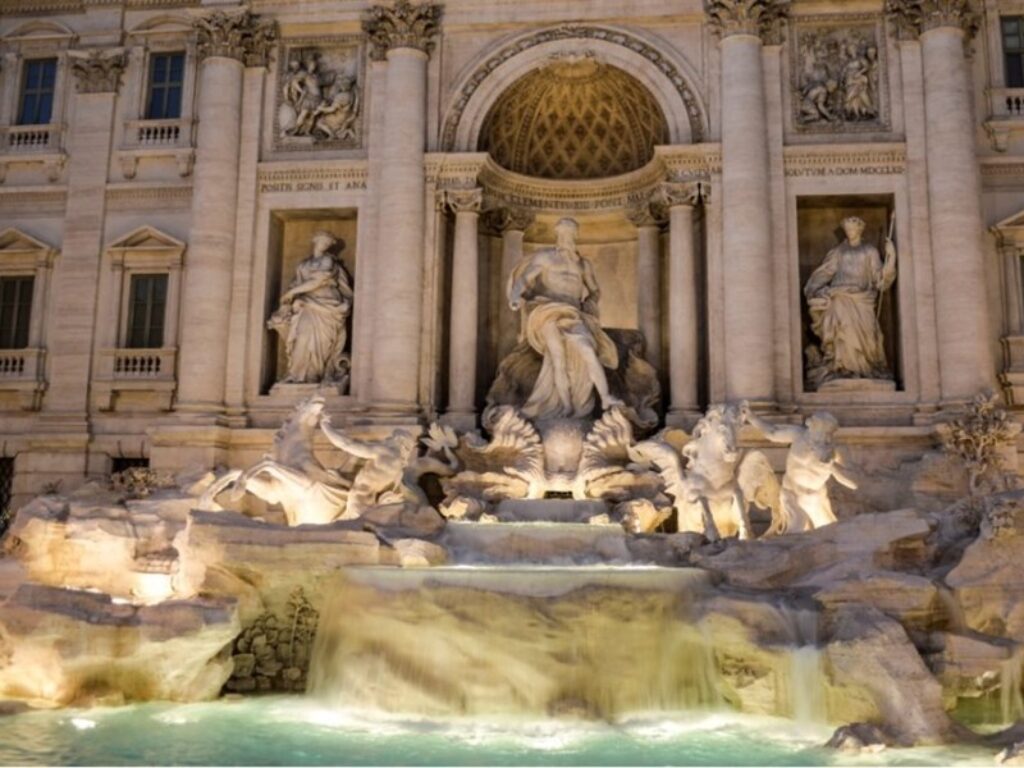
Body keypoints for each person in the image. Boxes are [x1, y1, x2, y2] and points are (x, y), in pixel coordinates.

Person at [506, 218, 622, 419]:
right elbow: (525, 279)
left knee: (587, 349)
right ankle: (567, 406)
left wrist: (590, 303)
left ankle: (605, 397)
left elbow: (594, 290)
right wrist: (516, 295)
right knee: (557, 358)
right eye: (563, 233)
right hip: (548, 310)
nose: (566, 237)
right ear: (557, 235)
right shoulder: (546, 258)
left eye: (570, 233)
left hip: (573, 312)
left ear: (575, 236)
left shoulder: (583, 264)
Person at [804, 216, 896, 388]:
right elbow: (825, 272)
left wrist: (891, 258)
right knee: (842, 330)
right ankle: (842, 367)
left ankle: (866, 368)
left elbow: (880, 278)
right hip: (840, 296)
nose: (850, 232)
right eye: (847, 230)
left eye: (853, 229)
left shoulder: (870, 251)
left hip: (863, 299)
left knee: (868, 334)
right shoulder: (838, 251)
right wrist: (813, 289)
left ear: (860, 230)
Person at [741, 402, 858, 533]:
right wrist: (751, 417)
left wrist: (831, 466)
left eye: (826, 433)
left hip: (814, 498)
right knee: (796, 529)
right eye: (815, 427)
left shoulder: (835, 451)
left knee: (829, 533)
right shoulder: (798, 435)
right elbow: (772, 432)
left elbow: (853, 483)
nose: (822, 435)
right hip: (791, 492)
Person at [268, 231, 353, 384]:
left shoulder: (328, 260)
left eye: (327, 243)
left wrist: (293, 292)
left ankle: (314, 375)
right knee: (302, 337)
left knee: (321, 342)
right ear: (315, 242)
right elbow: (296, 283)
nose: (325, 245)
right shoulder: (303, 264)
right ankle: (297, 374)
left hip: (327, 304)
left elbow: (318, 281)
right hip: (306, 305)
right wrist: (289, 301)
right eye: (322, 241)